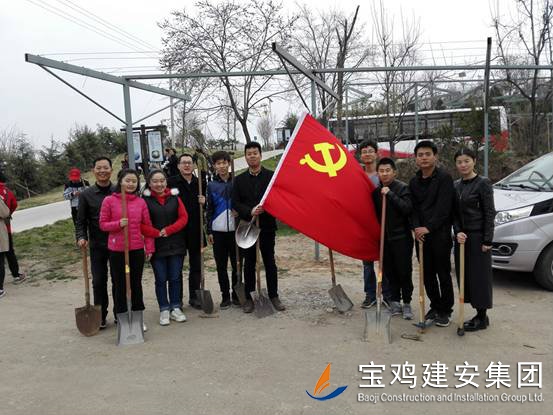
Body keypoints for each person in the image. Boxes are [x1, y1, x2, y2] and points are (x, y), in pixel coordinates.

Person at [232, 142, 285, 313]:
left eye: (255, 153)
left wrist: (264, 209)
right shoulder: (239, 180)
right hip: (247, 228)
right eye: (249, 154)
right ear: (245, 157)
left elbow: (277, 198)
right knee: (249, 264)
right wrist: (250, 211)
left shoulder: (271, 177)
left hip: (267, 227)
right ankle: (249, 298)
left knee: (269, 262)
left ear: (260, 155)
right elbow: (235, 202)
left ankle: (273, 296)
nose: (252, 156)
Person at [99, 169, 154, 332]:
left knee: (136, 284)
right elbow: (102, 224)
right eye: (127, 180)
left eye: (134, 181)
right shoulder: (109, 200)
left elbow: (147, 226)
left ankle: (138, 318)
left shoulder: (140, 202)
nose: (131, 184)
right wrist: (118, 224)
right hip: (117, 250)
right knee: (120, 285)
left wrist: (149, 247)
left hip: (136, 250)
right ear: (120, 181)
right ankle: (121, 318)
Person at [409, 140, 455, 327]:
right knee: (427, 275)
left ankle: (446, 309)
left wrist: (428, 227)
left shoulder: (445, 178)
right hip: (421, 236)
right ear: (416, 159)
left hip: (440, 235)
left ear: (435, 156)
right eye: (420, 155)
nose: (424, 158)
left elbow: (445, 208)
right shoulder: (414, 182)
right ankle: (435, 305)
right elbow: (413, 209)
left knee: (443, 273)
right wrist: (416, 228)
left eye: (428, 154)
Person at [453, 148, 495, 332]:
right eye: (459, 162)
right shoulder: (456, 185)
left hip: (479, 238)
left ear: (474, 161)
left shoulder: (483, 183)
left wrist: (487, 240)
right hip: (462, 239)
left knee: (480, 277)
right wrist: (457, 231)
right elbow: (454, 214)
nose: (463, 165)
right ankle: (477, 314)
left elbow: (489, 212)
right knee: (466, 277)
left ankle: (482, 316)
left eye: (466, 161)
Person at [142, 169, 189, 326]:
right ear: (149, 183)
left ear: (166, 182)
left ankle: (175, 307)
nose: (159, 184)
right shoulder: (145, 201)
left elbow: (183, 218)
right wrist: (156, 233)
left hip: (176, 243)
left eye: (162, 181)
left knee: (175, 277)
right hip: (157, 245)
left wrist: (169, 230)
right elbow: (141, 223)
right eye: (155, 181)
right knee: (161, 279)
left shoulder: (175, 198)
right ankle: (164, 309)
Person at [76, 157, 116, 328]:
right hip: (97, 245)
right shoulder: (86, 195)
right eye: (99, 168)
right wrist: (81, 236)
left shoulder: (118, 191)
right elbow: (80, 221)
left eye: (105, 168)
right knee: (98, 281)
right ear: (93, 171)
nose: (102, 171)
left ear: (111, 170)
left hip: (118, 244)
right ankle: (100, 315)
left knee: (119, 280)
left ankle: (120, 313)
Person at [372, 158, 414, 319]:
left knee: (404, 271)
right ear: (378, 173)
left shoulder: (403, 188)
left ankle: (407, 302)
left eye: (387, 170)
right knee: (390, 272)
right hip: (385, 240)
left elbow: (407, 209)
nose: (384, 174)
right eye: (381, 171)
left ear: (394, 172)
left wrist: (390, 194)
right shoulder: (375, 193)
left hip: (402, 238)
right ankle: (395, 301)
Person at [167, 154, 206, 310]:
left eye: (189, 163)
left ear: (194, 165)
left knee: (196, 266)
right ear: (178, 166)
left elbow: (207, 205)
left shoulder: (200, 183)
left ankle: (194, 297)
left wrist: (204, 201)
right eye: (183, 163)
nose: (187, 165)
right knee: (176, 267)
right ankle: (177, 300)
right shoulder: (171, 183)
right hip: (178, 231)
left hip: (196, 229)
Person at [358, 140, 391, 309]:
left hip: (383, 223)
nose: (367, 154)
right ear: (360, 155)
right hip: (364, 224)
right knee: (367, 262)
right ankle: (370, 294)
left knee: (384, 260)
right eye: (364, 151)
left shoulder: (382, 175)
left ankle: (387, 294)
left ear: (377, 153)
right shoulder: (357, 175)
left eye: (370, 151)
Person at [206, 151, 238, 309]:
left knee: (237, 264)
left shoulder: (237, 182)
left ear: (229, 164)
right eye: (218, 163)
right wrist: (209, 231)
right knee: (221, 266)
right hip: (218, 231)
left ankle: (236, 294)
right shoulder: (211, 185)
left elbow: (242, 202)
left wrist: (239, 211)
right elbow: (209, 209)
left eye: (224, 162)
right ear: (215, 166)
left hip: (235, 230)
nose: (222, 166)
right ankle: (225, 296)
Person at [0, 172, 26, 293]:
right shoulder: (7, 192)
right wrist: (9, 213)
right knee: (9, 252)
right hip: (5, 227)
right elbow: (14, 204)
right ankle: (15, 275)